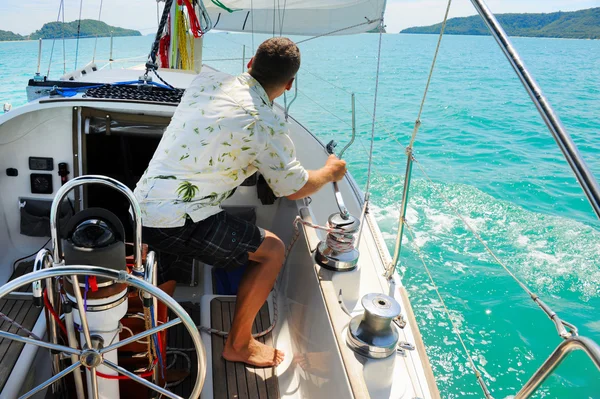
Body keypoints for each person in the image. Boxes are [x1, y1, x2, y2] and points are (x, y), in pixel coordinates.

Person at [134, 37, 346, 367]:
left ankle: (151, 344)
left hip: (140, 206)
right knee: (271, 250)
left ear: (250, 63)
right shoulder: (267, 122)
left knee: (170, 253)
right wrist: (330, 172)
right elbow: (294, 188)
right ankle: (239, 344)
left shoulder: (207, 81)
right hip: (179, 217)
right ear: (290, 85)